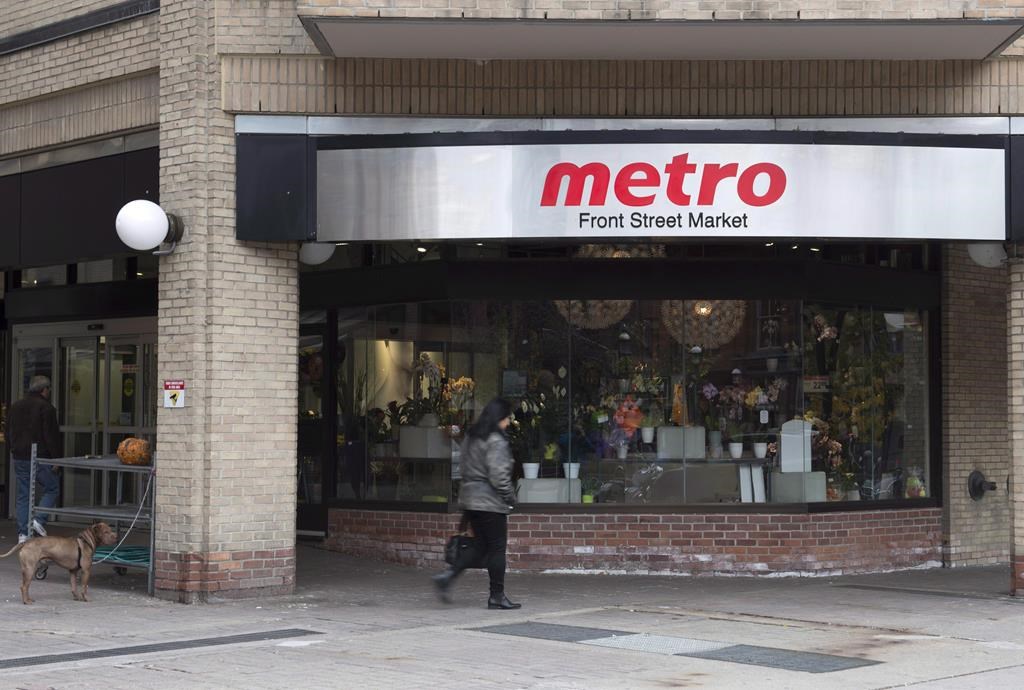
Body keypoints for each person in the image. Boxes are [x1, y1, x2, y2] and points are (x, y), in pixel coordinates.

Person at [432, 397, 521, 610]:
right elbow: (499, 476)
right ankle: (496, 595)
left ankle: (448, 576)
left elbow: (462, 466)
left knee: (481, 546)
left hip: (470, 499)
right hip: (490, 501)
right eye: (507, 418)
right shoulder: (496, 440)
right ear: (500, 417)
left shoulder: (472, 436)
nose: (508, 423)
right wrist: (510, 497)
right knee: (497, 548)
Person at [7, 375, 62, 544]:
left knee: (24, 494)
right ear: (44, 390)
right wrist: (56, 459)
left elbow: (9, 431)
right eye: (49, 389)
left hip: (20, 457)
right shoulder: (47, 408)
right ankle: (39, 520)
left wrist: (13, 449)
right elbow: (51, 436)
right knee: (52, 488)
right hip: (41, 457)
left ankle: (23, 534)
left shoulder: (15, 406)